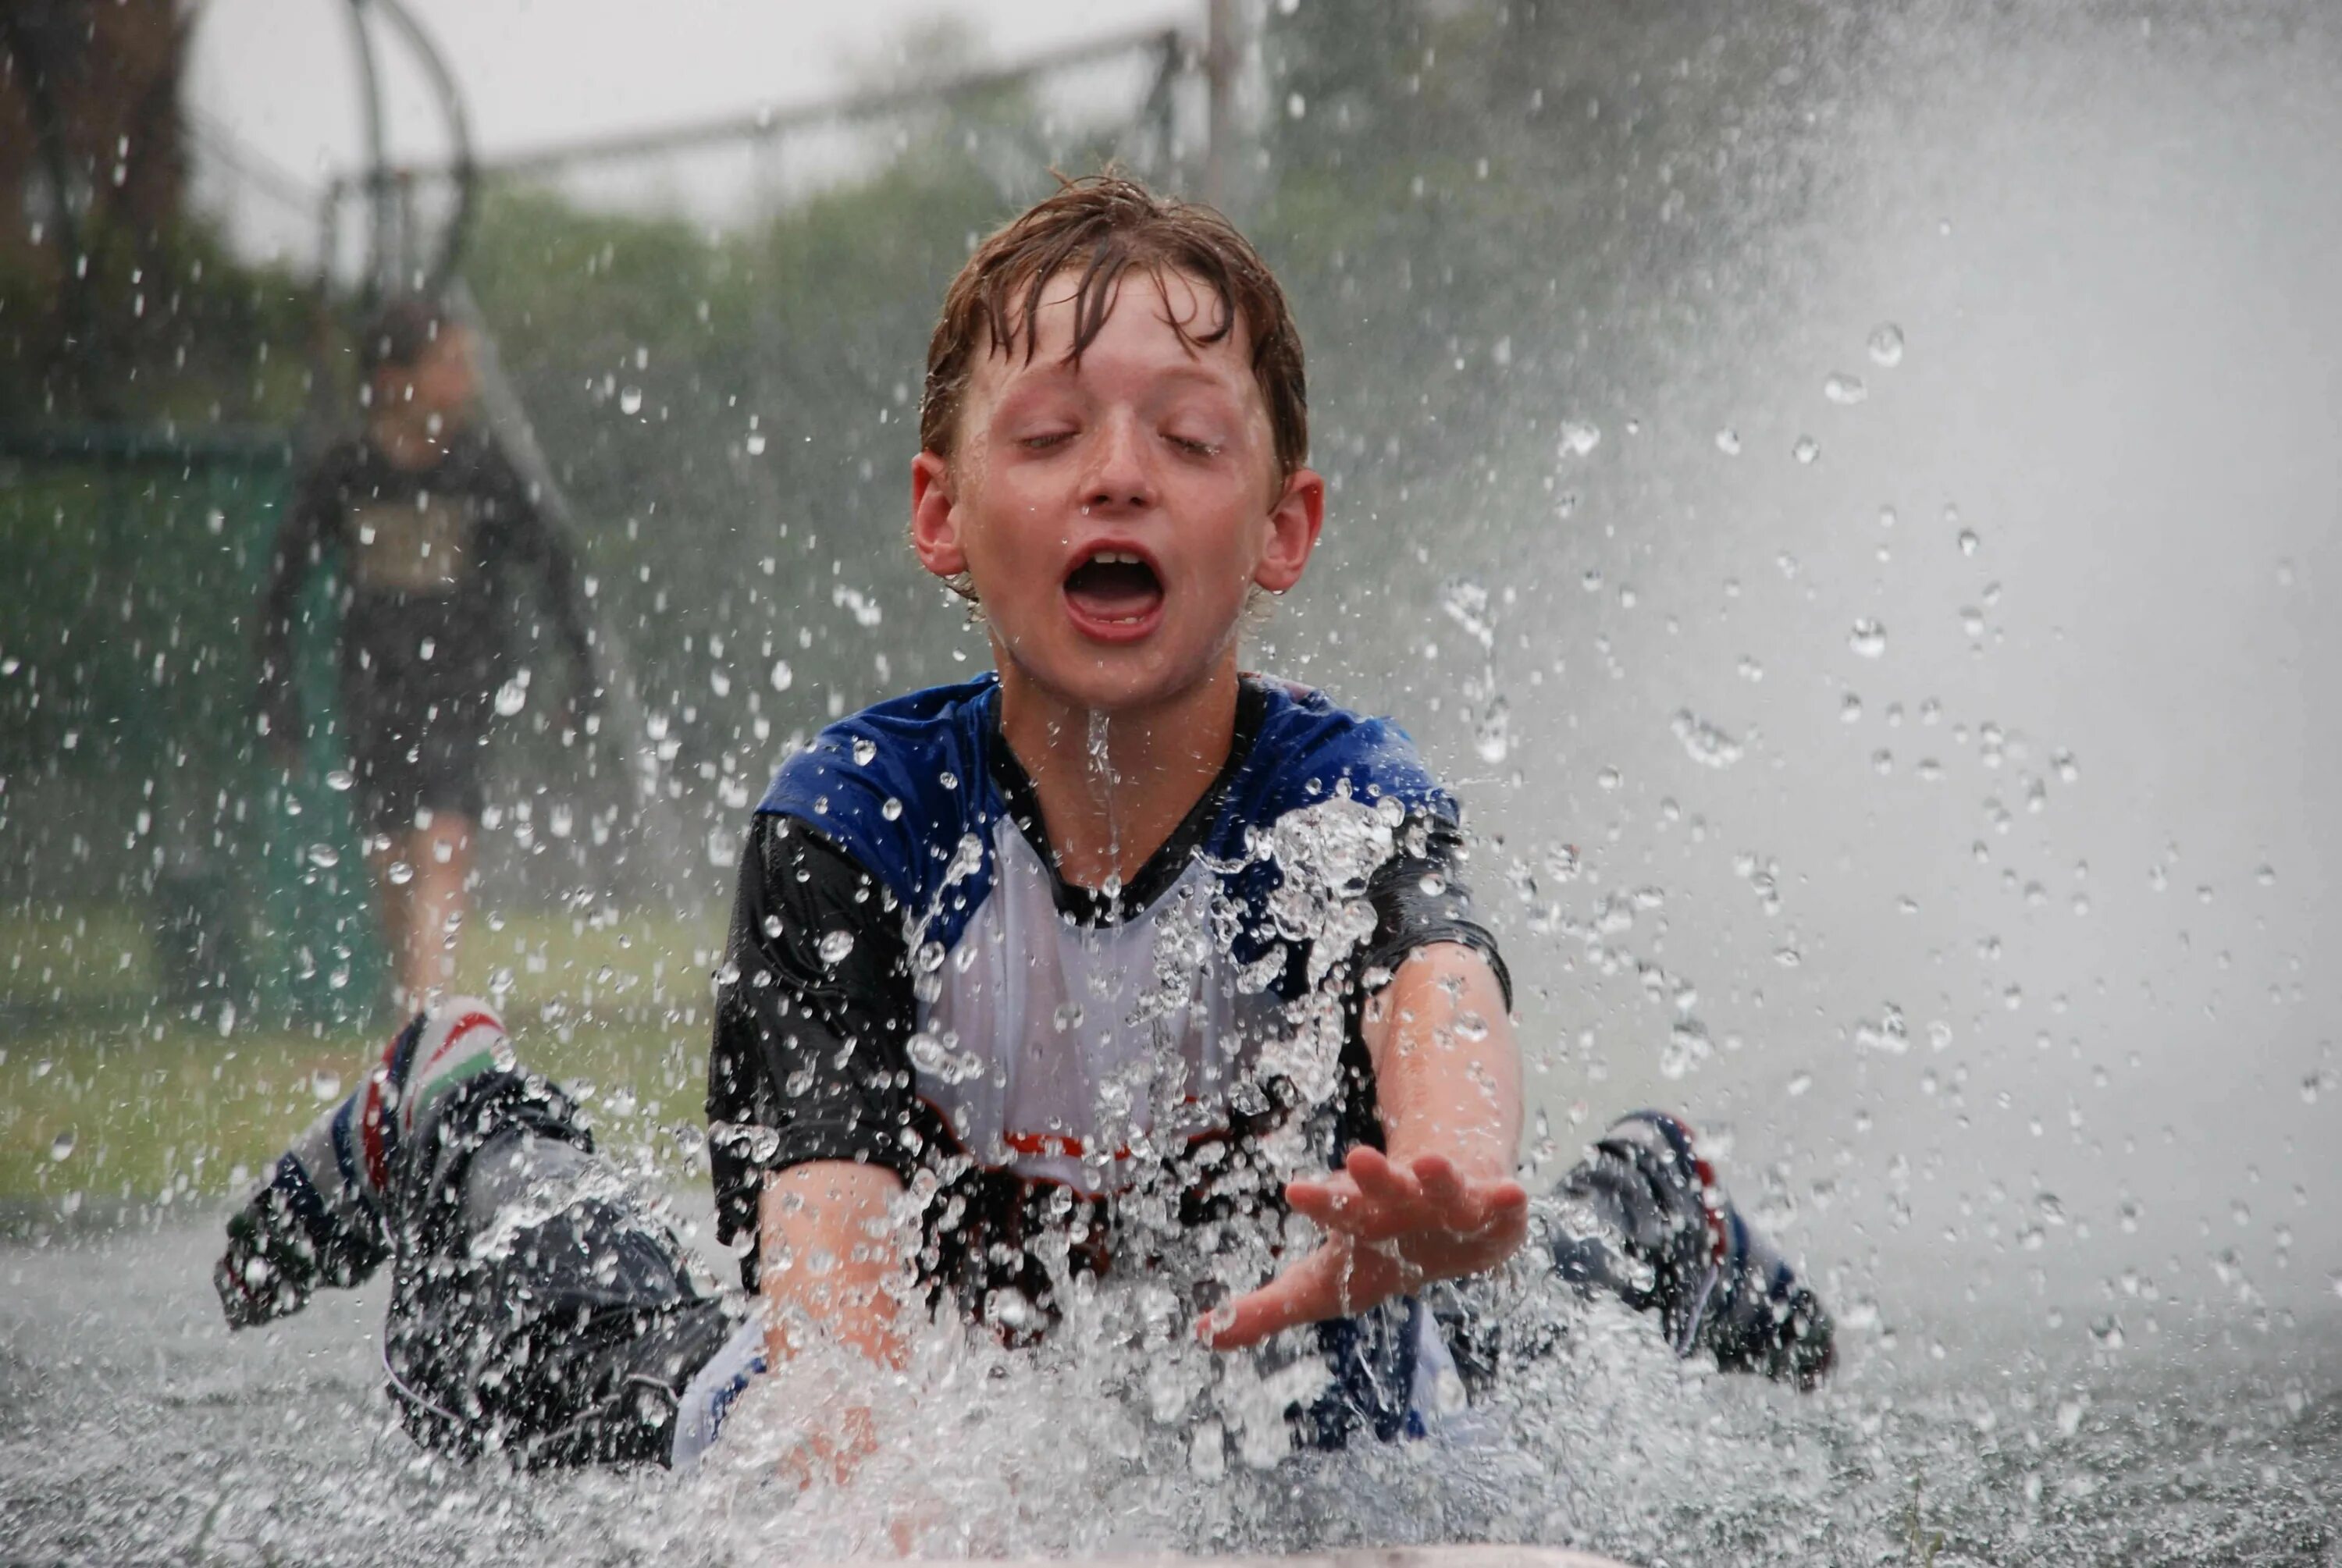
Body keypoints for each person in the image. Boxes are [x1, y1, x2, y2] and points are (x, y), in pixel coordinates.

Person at [704, 172, 1832, 1470]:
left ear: (1281, 528)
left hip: (1332, 1395)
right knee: (653, 1398)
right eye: (1047, 435)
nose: (1119, 475)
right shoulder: (859, 824)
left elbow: (1438, 984)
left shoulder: (1337, 799)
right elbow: (833, 1308)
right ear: (940, 512)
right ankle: (467, 1133)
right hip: (989, 1393)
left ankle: (1644, 1199)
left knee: (1517, 1323)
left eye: (1188, 440)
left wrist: (1450, 1178)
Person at [256, 297, 600, 1012]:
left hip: (464, 679)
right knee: (389, 857)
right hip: (374, 688)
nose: (466, 380)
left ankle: (423, 1015)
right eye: (450, 364)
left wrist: (580, 671)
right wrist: (278, 698)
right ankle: (415, 997)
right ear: (391, 378)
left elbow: (554, 566)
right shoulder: (345, 472)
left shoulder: (482, 469)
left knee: (444, 838)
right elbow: (281, 593)